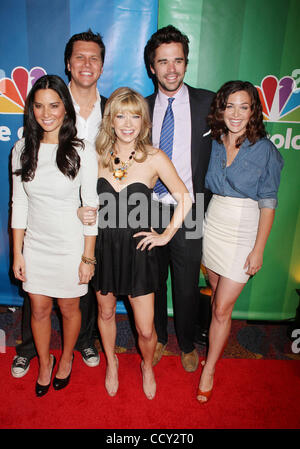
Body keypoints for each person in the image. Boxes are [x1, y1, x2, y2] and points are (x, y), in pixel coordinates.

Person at [79, 87, 192, 399]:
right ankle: (112, 362)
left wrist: (165, 234)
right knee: (104, 313)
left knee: (145, 329)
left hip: (140, 252)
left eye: (135, 116)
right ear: (111, 121)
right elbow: (80, 196)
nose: (128, 123)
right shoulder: (96, 155)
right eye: (120, 115)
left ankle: (146, 365)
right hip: (102, 249)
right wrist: (80, 210)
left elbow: (185, 197)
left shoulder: (154, 157)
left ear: (144, 122)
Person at [11, 29, 106, 378]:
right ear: (31, 109)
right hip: (36, 247)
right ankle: (45, 361)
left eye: (54, 105)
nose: (46, 113)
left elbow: (91, 205)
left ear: (64, 107)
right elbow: (18, 205)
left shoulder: (81, 150)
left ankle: (65, 358)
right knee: (37, 310)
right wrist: (18, 253)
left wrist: (87, 257)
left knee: (69, 309)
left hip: (70, 247)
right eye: (38, 105)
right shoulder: (21, 150)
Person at [197, 80, 284, 403]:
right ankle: (212, 351)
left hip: (244, 230)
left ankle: (210, 369)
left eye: (243, 106)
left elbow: (268, 203)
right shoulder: (214, 142)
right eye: (229, 106)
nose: (236, 113)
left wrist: (258, 248)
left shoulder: (265, 150)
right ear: (220, 109)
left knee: (221, 307)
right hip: (213, 223)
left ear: (253, 111)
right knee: (215, 297)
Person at [144, 25, 215, 372]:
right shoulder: (139, 109)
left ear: (186, 64)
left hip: (190, 210)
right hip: (148, 210)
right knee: (153, 282)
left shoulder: (209, 103)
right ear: (152, 67)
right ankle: (157, 338)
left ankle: (186, 342)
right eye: (163, 62)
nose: (171, 69)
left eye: (178, 61)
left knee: (186, 285)